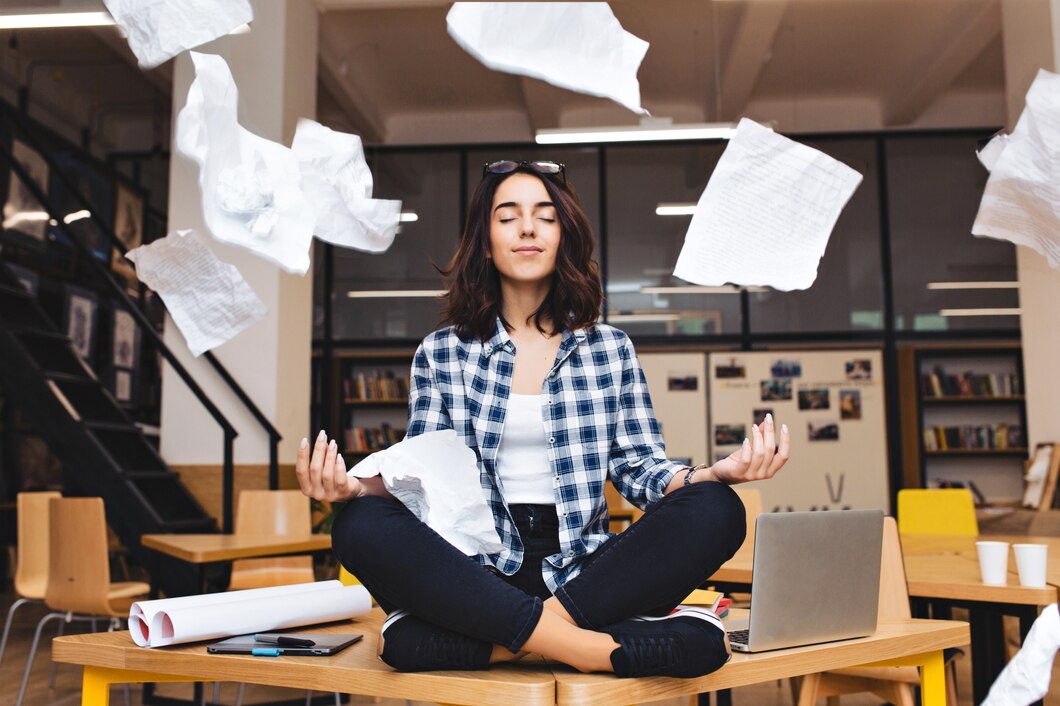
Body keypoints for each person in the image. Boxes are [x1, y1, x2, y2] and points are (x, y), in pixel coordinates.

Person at [296, 159, 791, 678]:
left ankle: (511, 640)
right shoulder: (442, 352)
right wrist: (351, 490)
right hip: (476, 571)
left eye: (545, 216)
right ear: (485, 242)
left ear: (563, 237)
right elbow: (426, 482)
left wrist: (714, 474)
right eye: (508, 216)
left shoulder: (609, 349)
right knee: (358, 525)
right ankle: (591, 650)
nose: (527, 228)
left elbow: (639, 470)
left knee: (718, 508)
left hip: (586, 576)